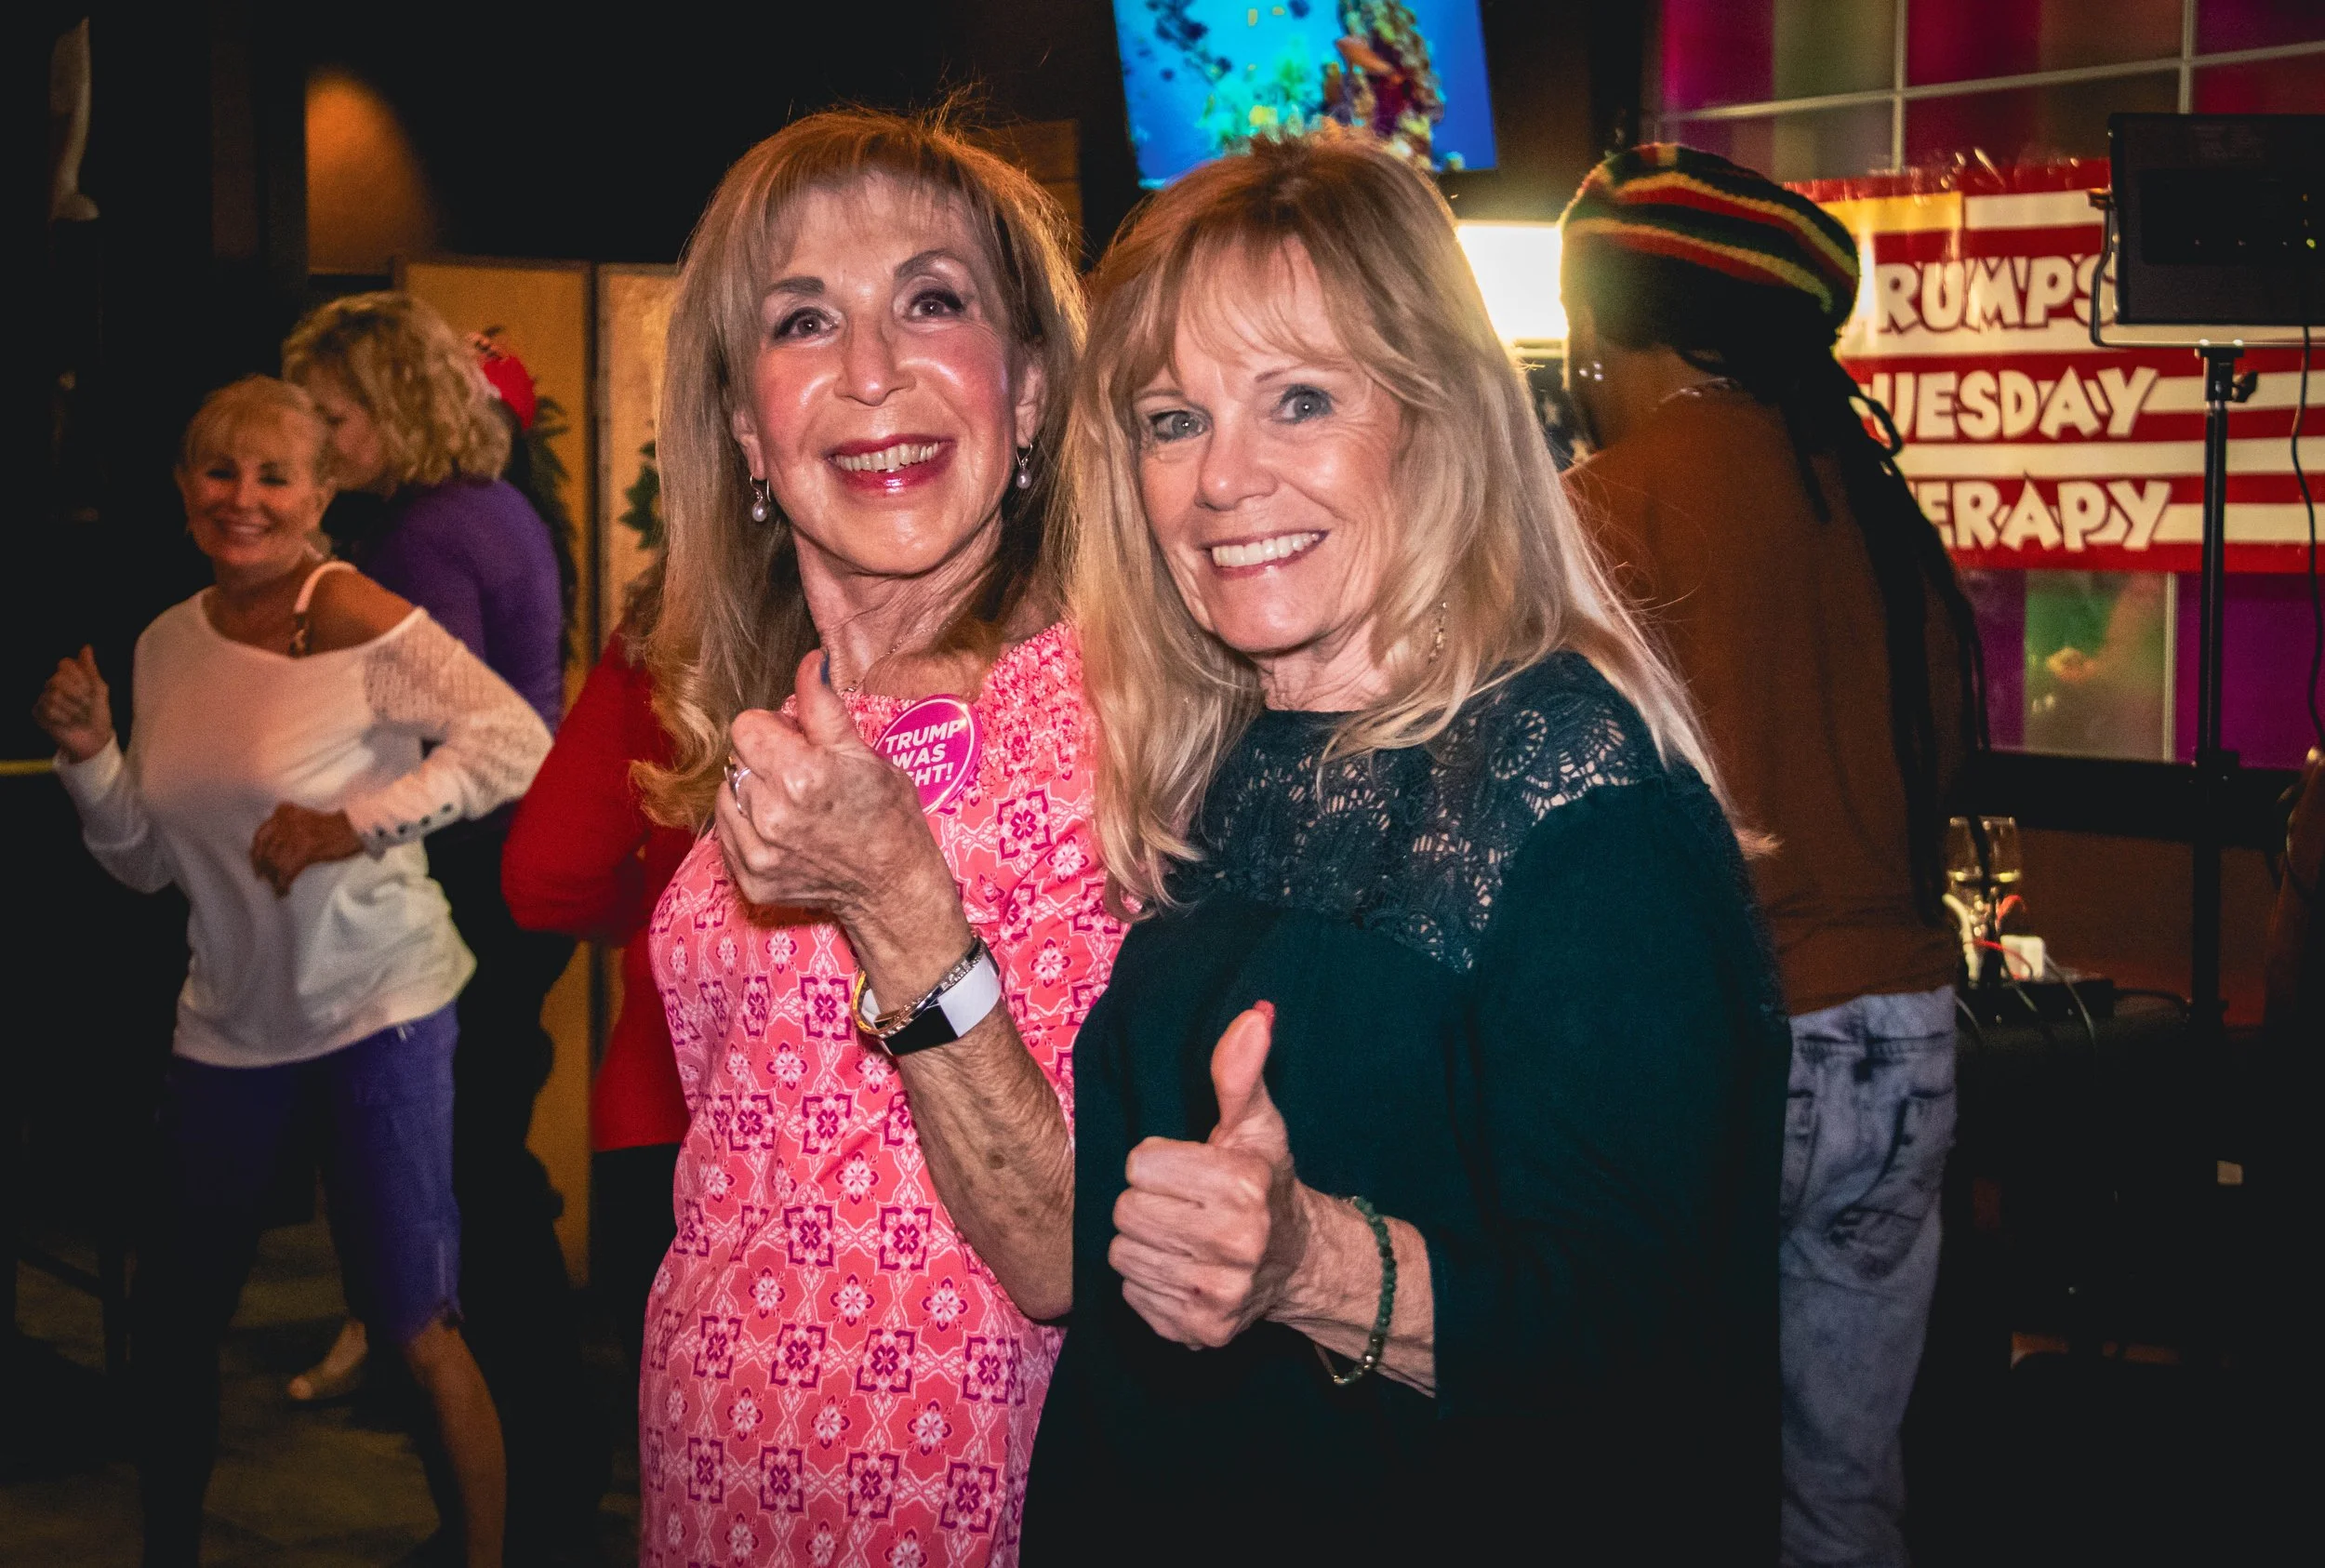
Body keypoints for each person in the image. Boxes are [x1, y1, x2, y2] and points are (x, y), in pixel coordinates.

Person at [1019, 131, 1791, 1564]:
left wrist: (1317, 1262)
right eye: (1174, 419)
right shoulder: (1227, 760)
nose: (1221, 477)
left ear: (1434, 422)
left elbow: (1653, 1342)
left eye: (1299, 399)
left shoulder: (1572, 785)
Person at [635, 108, 1118, 1568]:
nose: (868, 372)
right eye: (803, 321)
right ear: (745, 427)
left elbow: (1062, 1244)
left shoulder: (1102, 722)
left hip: (949, 1508)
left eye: (931, 301)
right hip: (708, 1484)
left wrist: (899, 898)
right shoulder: (778, 712)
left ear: (1030, 391)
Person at [34, 377, 551, 1568]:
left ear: (320, 497)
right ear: (183, 491)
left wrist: (352, 824)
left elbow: (513, 740)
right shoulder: (168, 642)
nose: (244, 499)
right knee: (175, 1320)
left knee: (413, 1320)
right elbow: (148, 863)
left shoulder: (350, 610)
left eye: (275, 476)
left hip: (381, 1004)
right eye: (220, 472)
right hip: (229, 1023)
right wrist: (92, 758)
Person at [1557, 143, 1985, 1568]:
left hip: (1730, 1046)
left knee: (1661, 1486)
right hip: (1910, 1036)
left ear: (1616, 323)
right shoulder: (1873, 500)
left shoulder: (1603, 506)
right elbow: (1938, 767)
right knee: (1842, 1499)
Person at [284, 291, 606, 1557]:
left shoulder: (419, 536)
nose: (318, 437)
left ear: (396, 406)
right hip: (518, 876)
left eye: (334, 414)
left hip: (469, 881)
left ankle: (517, 1511)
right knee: (489, 1187)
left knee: (463, 1199)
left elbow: (445, 735)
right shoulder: (497, 506)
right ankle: (541, 1495)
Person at [501, 563, 692, 1375]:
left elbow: (544, 872)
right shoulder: (945, 629)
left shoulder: (676, 625)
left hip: (660, 1112)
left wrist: (657, 919)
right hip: (886, 1141)